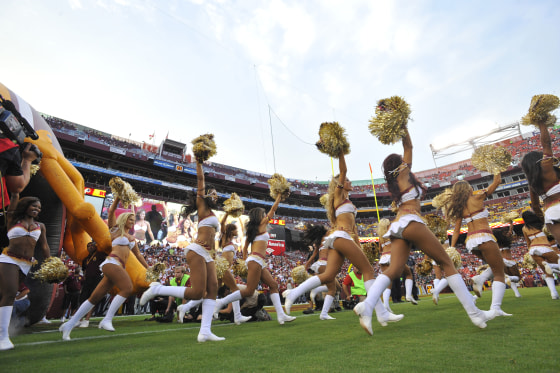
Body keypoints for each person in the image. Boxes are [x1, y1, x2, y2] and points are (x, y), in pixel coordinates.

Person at [356, 128, 495, 336]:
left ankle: (367, 306)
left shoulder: (395, 182)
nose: (406, 162)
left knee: (393, 271)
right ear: (399, 165)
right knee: (446, 263)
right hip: (411, 221)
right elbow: (408, 146)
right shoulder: (403, 173)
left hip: (397, 227)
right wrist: (402, 127)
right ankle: (475, 314)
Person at [285, 150, 401, 333]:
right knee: (368, 270)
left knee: (328, 275)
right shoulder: (338, 195)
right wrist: (340, 152)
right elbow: (343, 169)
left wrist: (358, 242)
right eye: (347, 180)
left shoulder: (346, 199)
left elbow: (353, 227)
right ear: (340, 183)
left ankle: (293, 293)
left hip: (343, 237)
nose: (350, 182)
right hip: (340, 236)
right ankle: (380, 312)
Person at [139, 159, 225, 342]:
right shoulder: (202, 206)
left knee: (213, 289)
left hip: (208, 253)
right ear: (206, 194)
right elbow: (200, 180)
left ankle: (205, 332)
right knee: (196, 292)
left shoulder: (212, 213)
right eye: (214, 193)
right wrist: (200, 162)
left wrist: (215, 255)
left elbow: (213, 238)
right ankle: (157, 290)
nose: (216, 196)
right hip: (197, 250)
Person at [59, 195, 149, 340]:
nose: (132, 222)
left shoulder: (132, 238)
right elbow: (112, 210)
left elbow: (138, 256)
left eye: (133, 220)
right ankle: (106, 320)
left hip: (118, 266)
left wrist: (148, 268)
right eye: (130, 219)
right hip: (112, 263)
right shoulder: (115, 230)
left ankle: (69, 325)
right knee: (127, 288)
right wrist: (118, 196)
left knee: (93, 298)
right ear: (124, 219)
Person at [211, 195, 295, 326]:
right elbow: (273, 209)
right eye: (263, 213)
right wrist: (279, 197)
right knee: (249, 290)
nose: (265, 215)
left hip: (257, 260)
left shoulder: (253, 230)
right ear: (259, 216)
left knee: (273, 285)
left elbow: (245, 248)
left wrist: (245, 261)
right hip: (256, 260)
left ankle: (281, 315)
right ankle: (220, 303)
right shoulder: (262, 224)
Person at [446, 174, 511, 317]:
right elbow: (497, 182)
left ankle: (481, 278)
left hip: (471, 241)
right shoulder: (477, 197)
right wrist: (496, 171)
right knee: (500, 272)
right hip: (485, 237)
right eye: (470, 187)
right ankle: (496, 308)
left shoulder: (459, 208)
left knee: (495, 267)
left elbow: (456, 231)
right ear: (467, 189)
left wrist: (452, 247)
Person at [0, 194, 50, 350]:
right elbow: (15, 195)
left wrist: (51, 263)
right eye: (34, 206)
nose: (37, 209)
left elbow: (44, 246)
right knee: (10, 294)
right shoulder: (13, 219)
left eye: (39, 208)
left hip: (26, 264)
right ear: (26, 206)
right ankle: (3, 337)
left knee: (8, 295)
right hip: (9, 259)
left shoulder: (40, 226)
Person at [521, 121, 560, 244]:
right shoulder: (546, 168)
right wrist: (542, 123)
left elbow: (536, 206)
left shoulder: (532, 184)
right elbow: (547, 144)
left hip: (550, 214)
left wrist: (543, 218)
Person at [377, 218, 417, 308]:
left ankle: (386, 304)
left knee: (388, 282)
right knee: (409, 274)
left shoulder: (381, 237)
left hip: (383, 258)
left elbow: (380, 250)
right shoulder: (391, 233)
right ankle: (408, 296)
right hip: (392, 256)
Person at [521, 210, 559, 299]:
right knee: (558, 265)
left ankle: (554, 294)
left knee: (547, 272)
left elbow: (528, 243)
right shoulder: (541, 223)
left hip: (533, 249)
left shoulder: (524, 228)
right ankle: (550, 265)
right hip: (545, 247)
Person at [77, 241, 108, 328]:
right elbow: (84, 270)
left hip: (97, 279)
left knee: (92, 299)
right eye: (88, 246)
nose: (90, 247)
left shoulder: (100, 255)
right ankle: (80, 319)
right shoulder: (85, 259)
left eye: (92, 245)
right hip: (87, 280)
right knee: (83, 299)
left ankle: (87, 319)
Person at [494, 226, 522, 298]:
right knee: (518, 278)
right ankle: (508, 280)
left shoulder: (495, 242)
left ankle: (517, 294)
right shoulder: (506, 240)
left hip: (501, 261)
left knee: (510, 277)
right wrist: (511, 223)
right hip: (509, 260)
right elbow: (510, 232)